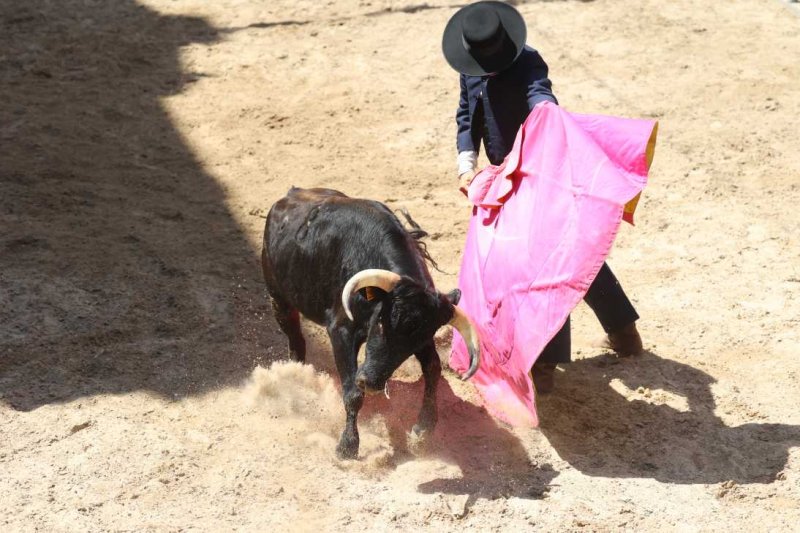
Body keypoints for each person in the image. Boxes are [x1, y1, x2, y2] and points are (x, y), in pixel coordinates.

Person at [442, 1, 643, 393]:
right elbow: (467, 116)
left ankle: (547, 364)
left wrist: (546, 113)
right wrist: (466, 164)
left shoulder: (528, 61)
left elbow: (540, 95)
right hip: (504, 179)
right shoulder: (471, 68)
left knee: (547, 264)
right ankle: (623, 332)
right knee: (567, 256)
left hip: (542, 170)